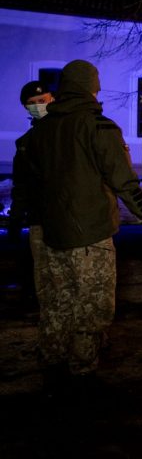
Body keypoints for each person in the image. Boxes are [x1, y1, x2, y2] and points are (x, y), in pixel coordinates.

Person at [27, 59, 142, 394]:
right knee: (92, 304)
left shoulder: (41, 131)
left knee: (58, 299)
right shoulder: (98, 126)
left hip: (53, 232)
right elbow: (124, 180)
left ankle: (52, 356)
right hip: (91, 232)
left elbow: (34, 183)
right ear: (91, 87)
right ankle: (82, 368)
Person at [10, 81, 54, 377]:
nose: (40, 103)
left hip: (69, 221)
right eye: (34, 101)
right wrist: (17, 215)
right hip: (40, 221)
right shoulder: (26, 143)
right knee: (46, 285)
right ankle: (53, 347)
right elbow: (21, 184)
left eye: (43, 98)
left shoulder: (69, 130)